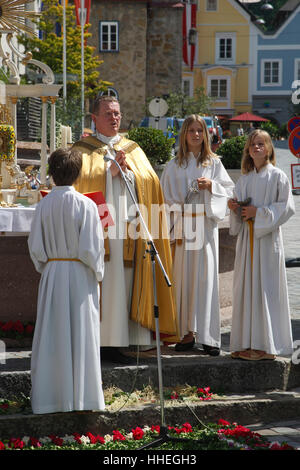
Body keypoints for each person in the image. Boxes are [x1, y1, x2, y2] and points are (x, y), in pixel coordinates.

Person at [72, 96, 178, 364]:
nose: (114, 118)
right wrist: (110, 173)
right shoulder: (82, 150)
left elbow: (151, 182)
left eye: (117, 113)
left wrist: (129, 173)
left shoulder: (132, 148)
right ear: (94, 118)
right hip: (102, 228)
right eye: (108, 113)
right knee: (107, 280)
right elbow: (76, 184)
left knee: (128, 280)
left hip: (130, 228)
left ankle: (129, 339)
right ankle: (103, 340)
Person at [28, 148, 105, 414]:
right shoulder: (86, 205)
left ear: (51, 173)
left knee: (53, 336)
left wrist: (48, 267)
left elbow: (35, 247)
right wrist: (98, 273)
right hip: (79, 275)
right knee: (80, 335)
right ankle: (83, 399)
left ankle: (51, 399)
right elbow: (92, 249)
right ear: (78, 173)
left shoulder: (43, 204)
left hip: (53, 274)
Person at [160, 115, 234, 356]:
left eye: (199, 131)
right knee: (184, 281)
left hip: (205, 226)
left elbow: (229, 190)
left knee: (206, 280)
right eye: (191, 130)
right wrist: (177, 209)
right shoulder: (174, 165)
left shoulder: (213, 163)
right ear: (184, 134)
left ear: (206, 135)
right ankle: (186, 333)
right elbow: (164, 196)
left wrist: (212, 186)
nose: (195, 135)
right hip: (183, 227)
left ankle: (209, 337)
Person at [228, 129, 295, 361]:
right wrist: (235, 208)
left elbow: (287, 208)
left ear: (268, 148)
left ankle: (266, 346)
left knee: (265, 289)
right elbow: (237, 211)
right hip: (247, 240)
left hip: (266, 242)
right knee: (246, 288)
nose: (256, 148)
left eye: (261, 144)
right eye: (252, 144)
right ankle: (245, 341)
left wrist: (259, 213)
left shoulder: (278, 176)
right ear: (247, 150)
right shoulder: (245, 180)